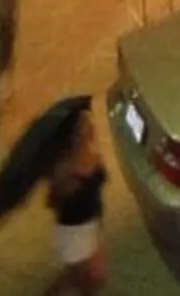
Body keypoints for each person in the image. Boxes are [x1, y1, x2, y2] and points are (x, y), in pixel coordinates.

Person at [43, 103, 108, 293]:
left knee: (79, 277)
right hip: (74, 230)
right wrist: (68, 188)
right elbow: (53, 201)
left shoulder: (92, 154)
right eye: (84, 128)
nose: (90, 128)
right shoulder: (64, 168)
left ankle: (52, 292)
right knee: (92, 279)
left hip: (90, 223)